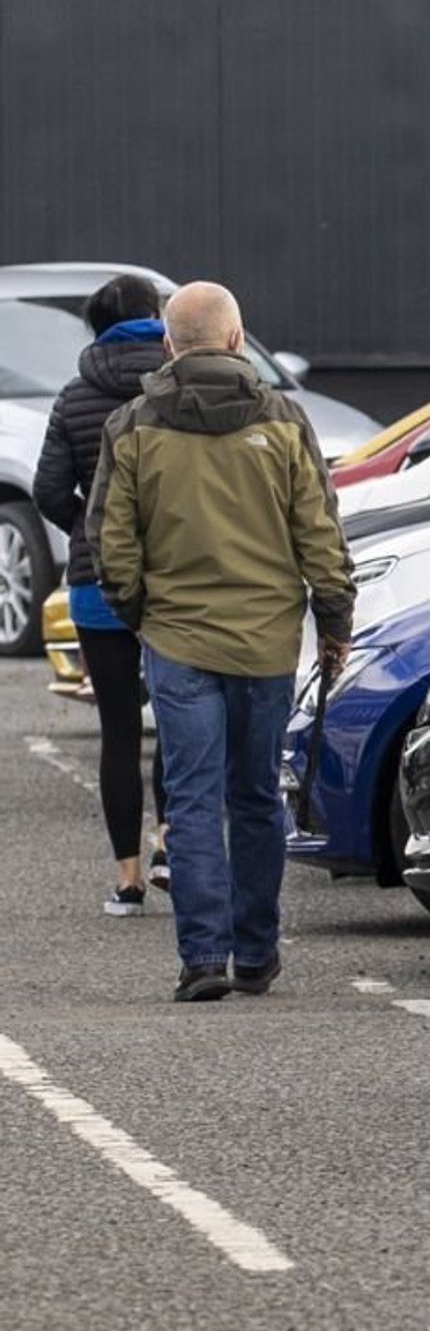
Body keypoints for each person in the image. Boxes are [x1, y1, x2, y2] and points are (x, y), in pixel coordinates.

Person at [89, 282, 355, 1002]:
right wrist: (333, 620)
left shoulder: (134, 426)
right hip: (266, 640)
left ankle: (202, 957)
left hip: (177, 638)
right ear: (238, 341)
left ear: (170, 345)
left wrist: (139, 610)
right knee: (257, 797)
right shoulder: (284, 421)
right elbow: (319, 535)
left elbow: (110, 540)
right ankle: (257, 951)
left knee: (193, 799)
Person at [32, 275, 173, 914]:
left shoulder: (74, 395)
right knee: (179, 721)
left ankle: (126, 878)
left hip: (97, 585)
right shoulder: (177, 386)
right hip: (177, 579)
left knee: (119, 730)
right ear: (156, 317)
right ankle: (173, 843)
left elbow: (48, 490)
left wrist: (89, 532)